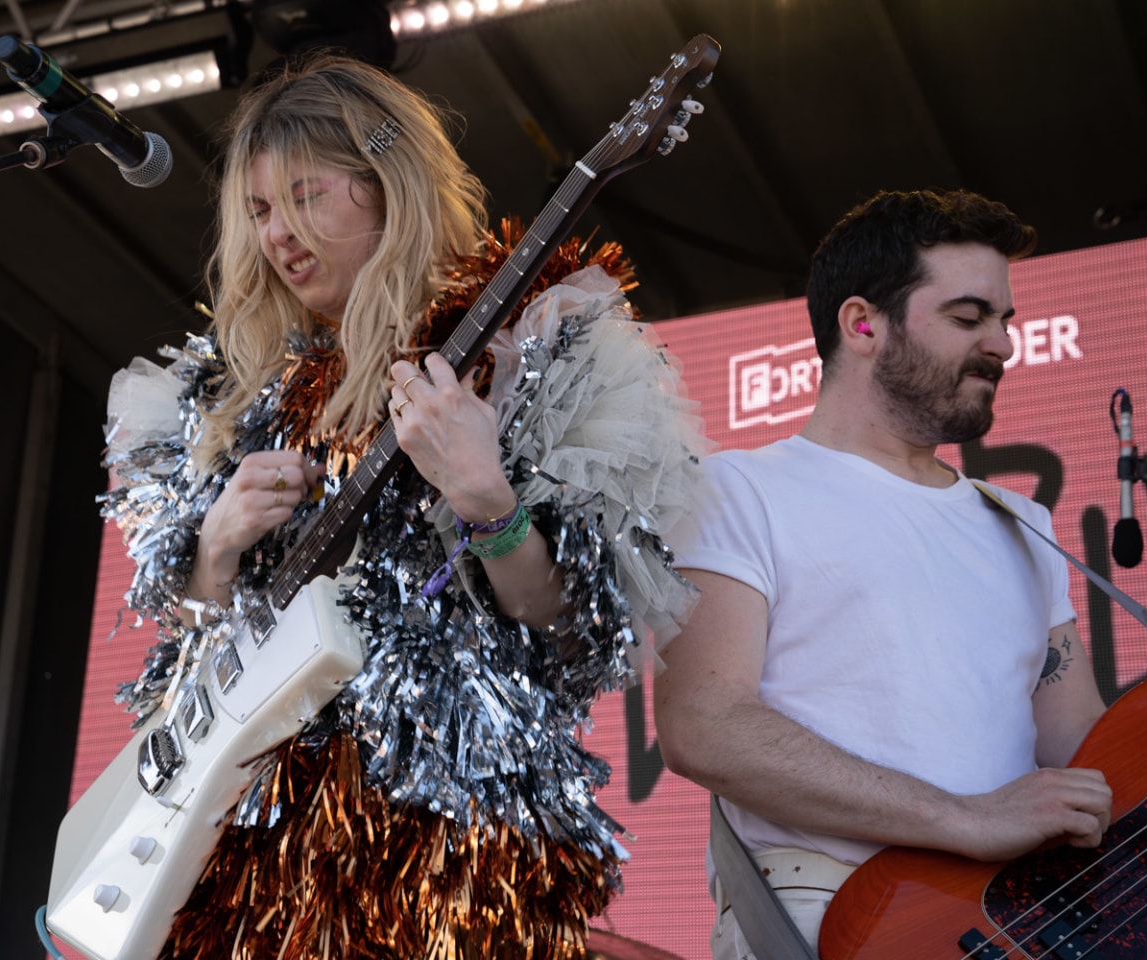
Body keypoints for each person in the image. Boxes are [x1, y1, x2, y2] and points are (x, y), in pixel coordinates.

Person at [101, 54, 706, 959]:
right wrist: (216, 547)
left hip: (446, 842)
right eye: (260, 212)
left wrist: (483, 494)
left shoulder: (529, 348)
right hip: (247, 855)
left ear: (387, 186)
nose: (278, 236)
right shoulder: (227, 393)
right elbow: (186, 648)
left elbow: (574, 627)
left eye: (306, 197)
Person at [652, 187, 1114, 959]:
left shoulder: (1023, 525)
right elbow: (702, 726)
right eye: (969, 318)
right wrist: (965, 820)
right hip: (829, 914)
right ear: (862, 323)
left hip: (1013, 926)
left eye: (1006, 322)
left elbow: (1084, 754)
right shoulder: (738, 489)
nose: (1002, 344)